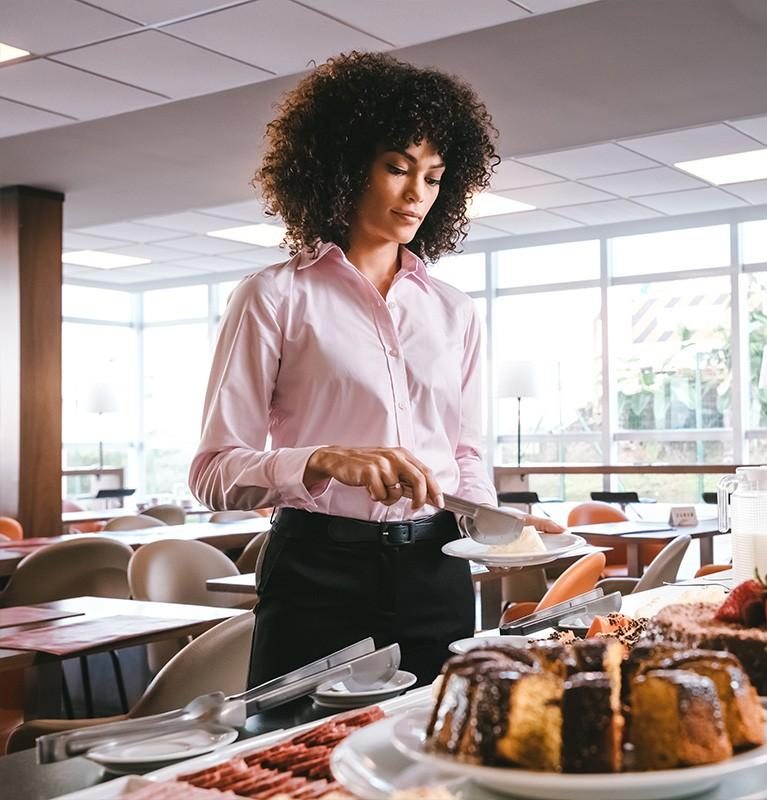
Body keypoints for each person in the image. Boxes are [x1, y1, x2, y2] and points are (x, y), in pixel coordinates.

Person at [189, 52, 562, 686]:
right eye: (397, 167)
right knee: (296, 759)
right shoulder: (273, 296)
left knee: (433, 755)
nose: (417, 192)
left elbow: (465, 453)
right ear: (342, 164)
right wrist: (321, 459)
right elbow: (213, 472)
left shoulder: (454, 311)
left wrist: (498, 524)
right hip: (316, 570)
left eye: (435, 177)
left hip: (436, 572)